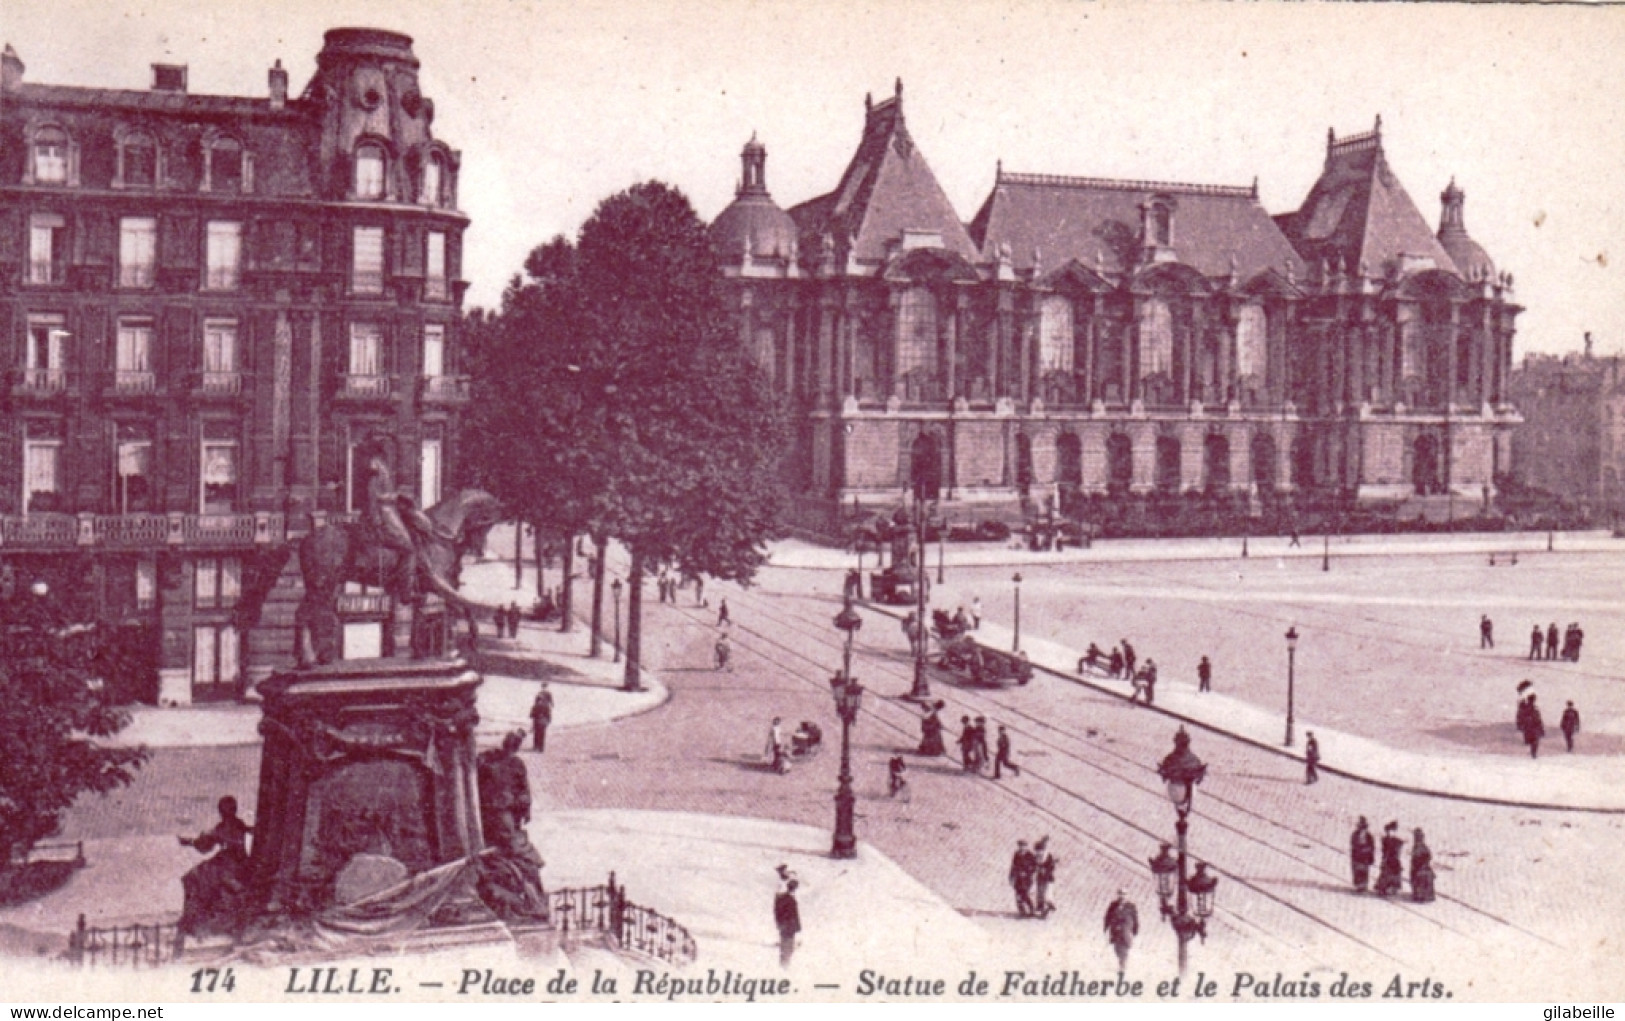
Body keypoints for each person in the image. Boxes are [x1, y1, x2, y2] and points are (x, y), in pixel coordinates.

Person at [178, 795, 254, 939]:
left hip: (230, 864)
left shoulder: (227, 826)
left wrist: (190, 842)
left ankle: (196, 920)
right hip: (231, 862)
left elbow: (206, 845)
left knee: (194, 877)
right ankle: (197, 918)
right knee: (199, 875)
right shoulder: (237, 824)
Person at [1103, 890, 1139, 970]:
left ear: (1127, 895)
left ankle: (1123, 964)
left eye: (1124, 894)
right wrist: (1105, 927)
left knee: (1125, 946)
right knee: (1117, 948)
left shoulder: (1131, 906)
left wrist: (1135, 930)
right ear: (1118, 895)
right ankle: (1121, 961)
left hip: (1126, 930)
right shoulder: (1113, 905)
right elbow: (1107, 917)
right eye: (1120, 894)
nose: (1122, 896)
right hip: (1115, 929)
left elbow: (1135, 918)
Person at [774, 879, 801, 968]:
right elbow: (793, 914)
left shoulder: (784, 898)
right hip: (788, 926)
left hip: (786, 926)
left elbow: (777, 912)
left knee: (786, 947)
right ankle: (784, 966)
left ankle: (784, 964)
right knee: (787, 948)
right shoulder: (789, 899)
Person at [1374, 821, 1405, 897]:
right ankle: (1384, 888)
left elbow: (1398, 847)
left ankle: (1391, 887)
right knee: (1387, 872)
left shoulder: (1395, 840)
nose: (1390, 832)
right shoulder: (1386, 839)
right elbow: (1386, 849)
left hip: (1393, 859)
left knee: (1393, 872)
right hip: (1389, 858)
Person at [1009, 840, 1036, 917]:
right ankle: (1022, 911)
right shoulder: (1016, 854)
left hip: (1027, 879)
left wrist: (1027, 873)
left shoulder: (1030, 855)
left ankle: (1032, 910)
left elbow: (1034, 867)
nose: (1022, 848)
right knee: (1018, 895)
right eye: (1020, 846)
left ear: (1026, 847)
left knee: (1025, 895)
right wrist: (1011, 876)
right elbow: (1013, 866)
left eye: (1024, 846)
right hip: (1018, 879)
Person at [1033, 837, 1057, 919]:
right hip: (1040, 879)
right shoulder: (1036, 858)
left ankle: (1049, 908)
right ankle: (1042, 909)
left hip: (1048, 879)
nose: (1039, 853)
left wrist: (1045, 870)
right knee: (1040, 894)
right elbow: (1034, 866)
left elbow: (1051, 867)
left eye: (1040, 851)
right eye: (1037, 851)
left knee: (1047, 896)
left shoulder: (1048, 857)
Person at [1410, 828, 1436, 903]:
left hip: (1421, 866)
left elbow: (1428, 856)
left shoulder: (1421, 846)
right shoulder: (1418, 846)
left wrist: (1423, 862)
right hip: (1419, 866)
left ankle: (1422, 894)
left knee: (1422, 875)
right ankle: (1421, 894)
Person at [1350, 816, 1376, 893]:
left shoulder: (1369, 836)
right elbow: (1353, 843)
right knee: (1357, 870)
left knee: (1364, 870)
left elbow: (1372, 846)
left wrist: (1370, 853)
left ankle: (1363, 884)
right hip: (1357, 855)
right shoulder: (1355, 834)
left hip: (1365, 856)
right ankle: (1359, 884)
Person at [529, 684, 554, 753]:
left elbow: (531, 715)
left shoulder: (537, 703)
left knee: (537, 734)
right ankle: (540, 747)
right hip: (543, 721)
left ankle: (537, 747)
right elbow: (549, 714)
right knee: (541, 734)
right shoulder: (545, 703)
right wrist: (548, 721)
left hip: (538, 721)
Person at [1521, 694, 1545, 758]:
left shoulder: (1534, 707)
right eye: (1532, 700)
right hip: (1531, 726)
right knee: (1534, 740)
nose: (1533, 701)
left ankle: (1533, 753)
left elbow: (1538, 717)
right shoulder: (1527, 707)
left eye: (1533, 700)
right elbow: (1524, 716)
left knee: (1534, 740)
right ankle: (1533, 753)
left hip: (1534, 726)